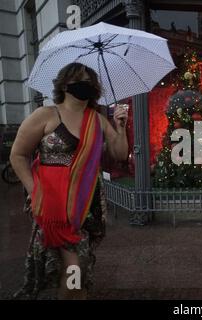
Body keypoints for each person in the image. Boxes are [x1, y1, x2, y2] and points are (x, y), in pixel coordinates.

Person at [10, 62, 129, 299]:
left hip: (84, 208)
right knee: (74, 265)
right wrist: (34, 191)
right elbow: (18, 155)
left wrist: (121, 127)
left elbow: (119, 154)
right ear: (64, 85)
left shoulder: (98, 120)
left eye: (89, 82)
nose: (85, 86)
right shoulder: (46, 115)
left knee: (77, 267)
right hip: (51, 206)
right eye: (79, 81)